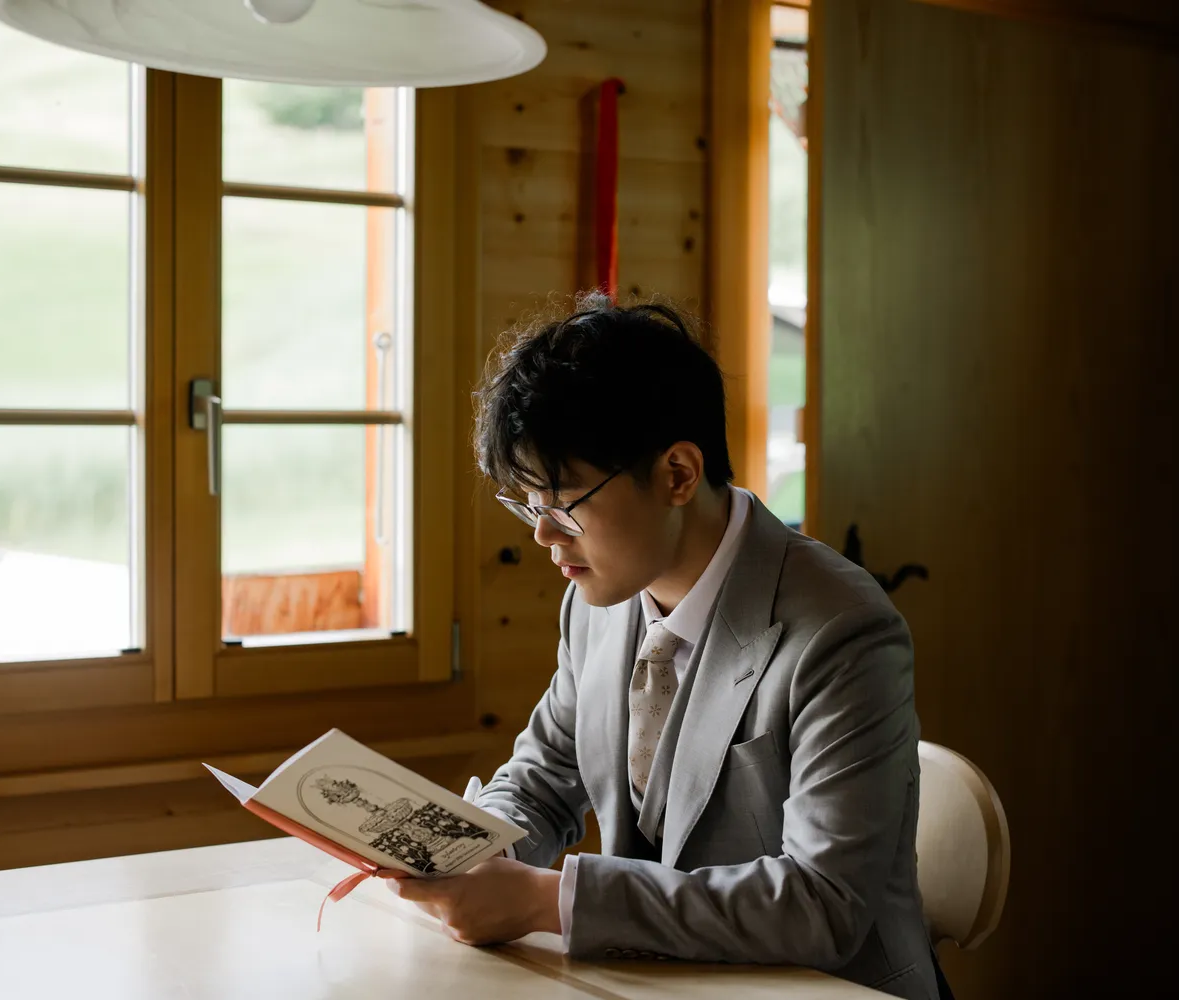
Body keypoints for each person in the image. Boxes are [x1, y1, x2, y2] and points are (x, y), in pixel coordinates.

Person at [389, 295, 945, 999]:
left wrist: (543, 899)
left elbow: (821, 903)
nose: (542, 537)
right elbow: (542, 776)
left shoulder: (842, 629)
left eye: (563, 506)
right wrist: (460, 850)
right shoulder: (598, 600)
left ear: (678, 474)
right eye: (528, 505)